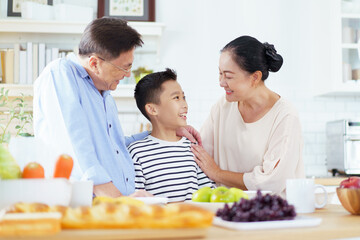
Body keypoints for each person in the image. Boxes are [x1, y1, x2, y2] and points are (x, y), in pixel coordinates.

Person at [33, 18, 200, 198]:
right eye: (123, 67)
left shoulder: (104, 92)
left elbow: (116, 145)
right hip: (86, 202)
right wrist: (119, 201)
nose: (128, 74)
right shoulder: (60, 73)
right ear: (95, 63)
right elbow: (74, 143)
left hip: (113, 203)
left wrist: (165, 130)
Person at [191, 36, 304, 197]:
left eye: (228, 76)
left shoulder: (285, 116)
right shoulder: (222, 107)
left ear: (255, 77)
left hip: (273, 215)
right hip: (231, 211)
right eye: (220, 73)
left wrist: (218, 173)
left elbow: (273, 182)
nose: (221, 82)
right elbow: (201, 155)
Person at [127, 68, 214, 202]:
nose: (184, 104)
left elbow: (209, 193)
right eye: (176, 98)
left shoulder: (192, 147)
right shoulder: (137, 152)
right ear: (152, 109)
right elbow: (137, 201)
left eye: (184, 97)